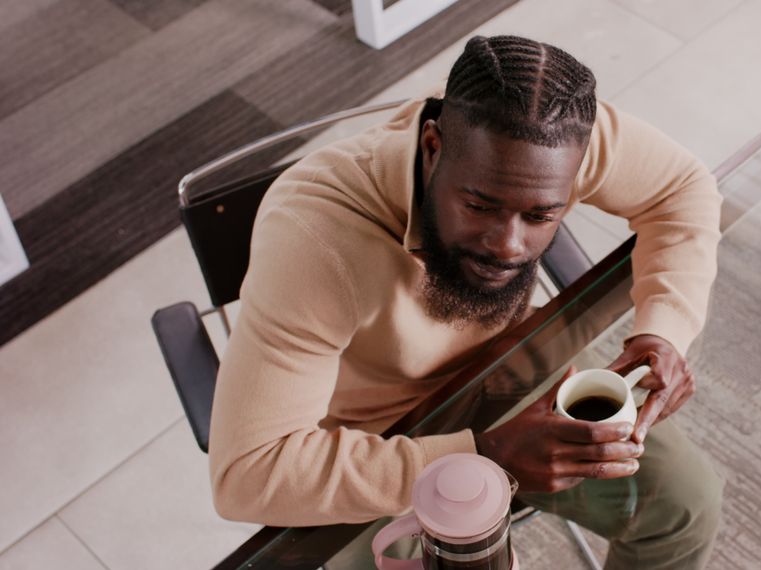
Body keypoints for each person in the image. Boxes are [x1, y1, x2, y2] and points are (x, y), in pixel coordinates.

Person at [209, 35, 724, 568]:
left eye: (540, 216)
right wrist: (482, 457)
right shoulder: (313, 238)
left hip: (511, 371)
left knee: (686, 508)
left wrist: (663, 328)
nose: (508, 245)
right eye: (479, 205)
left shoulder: (554, 142)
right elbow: (247, 475)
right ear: (433, 149)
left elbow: (684, 189)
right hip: (382, 438)